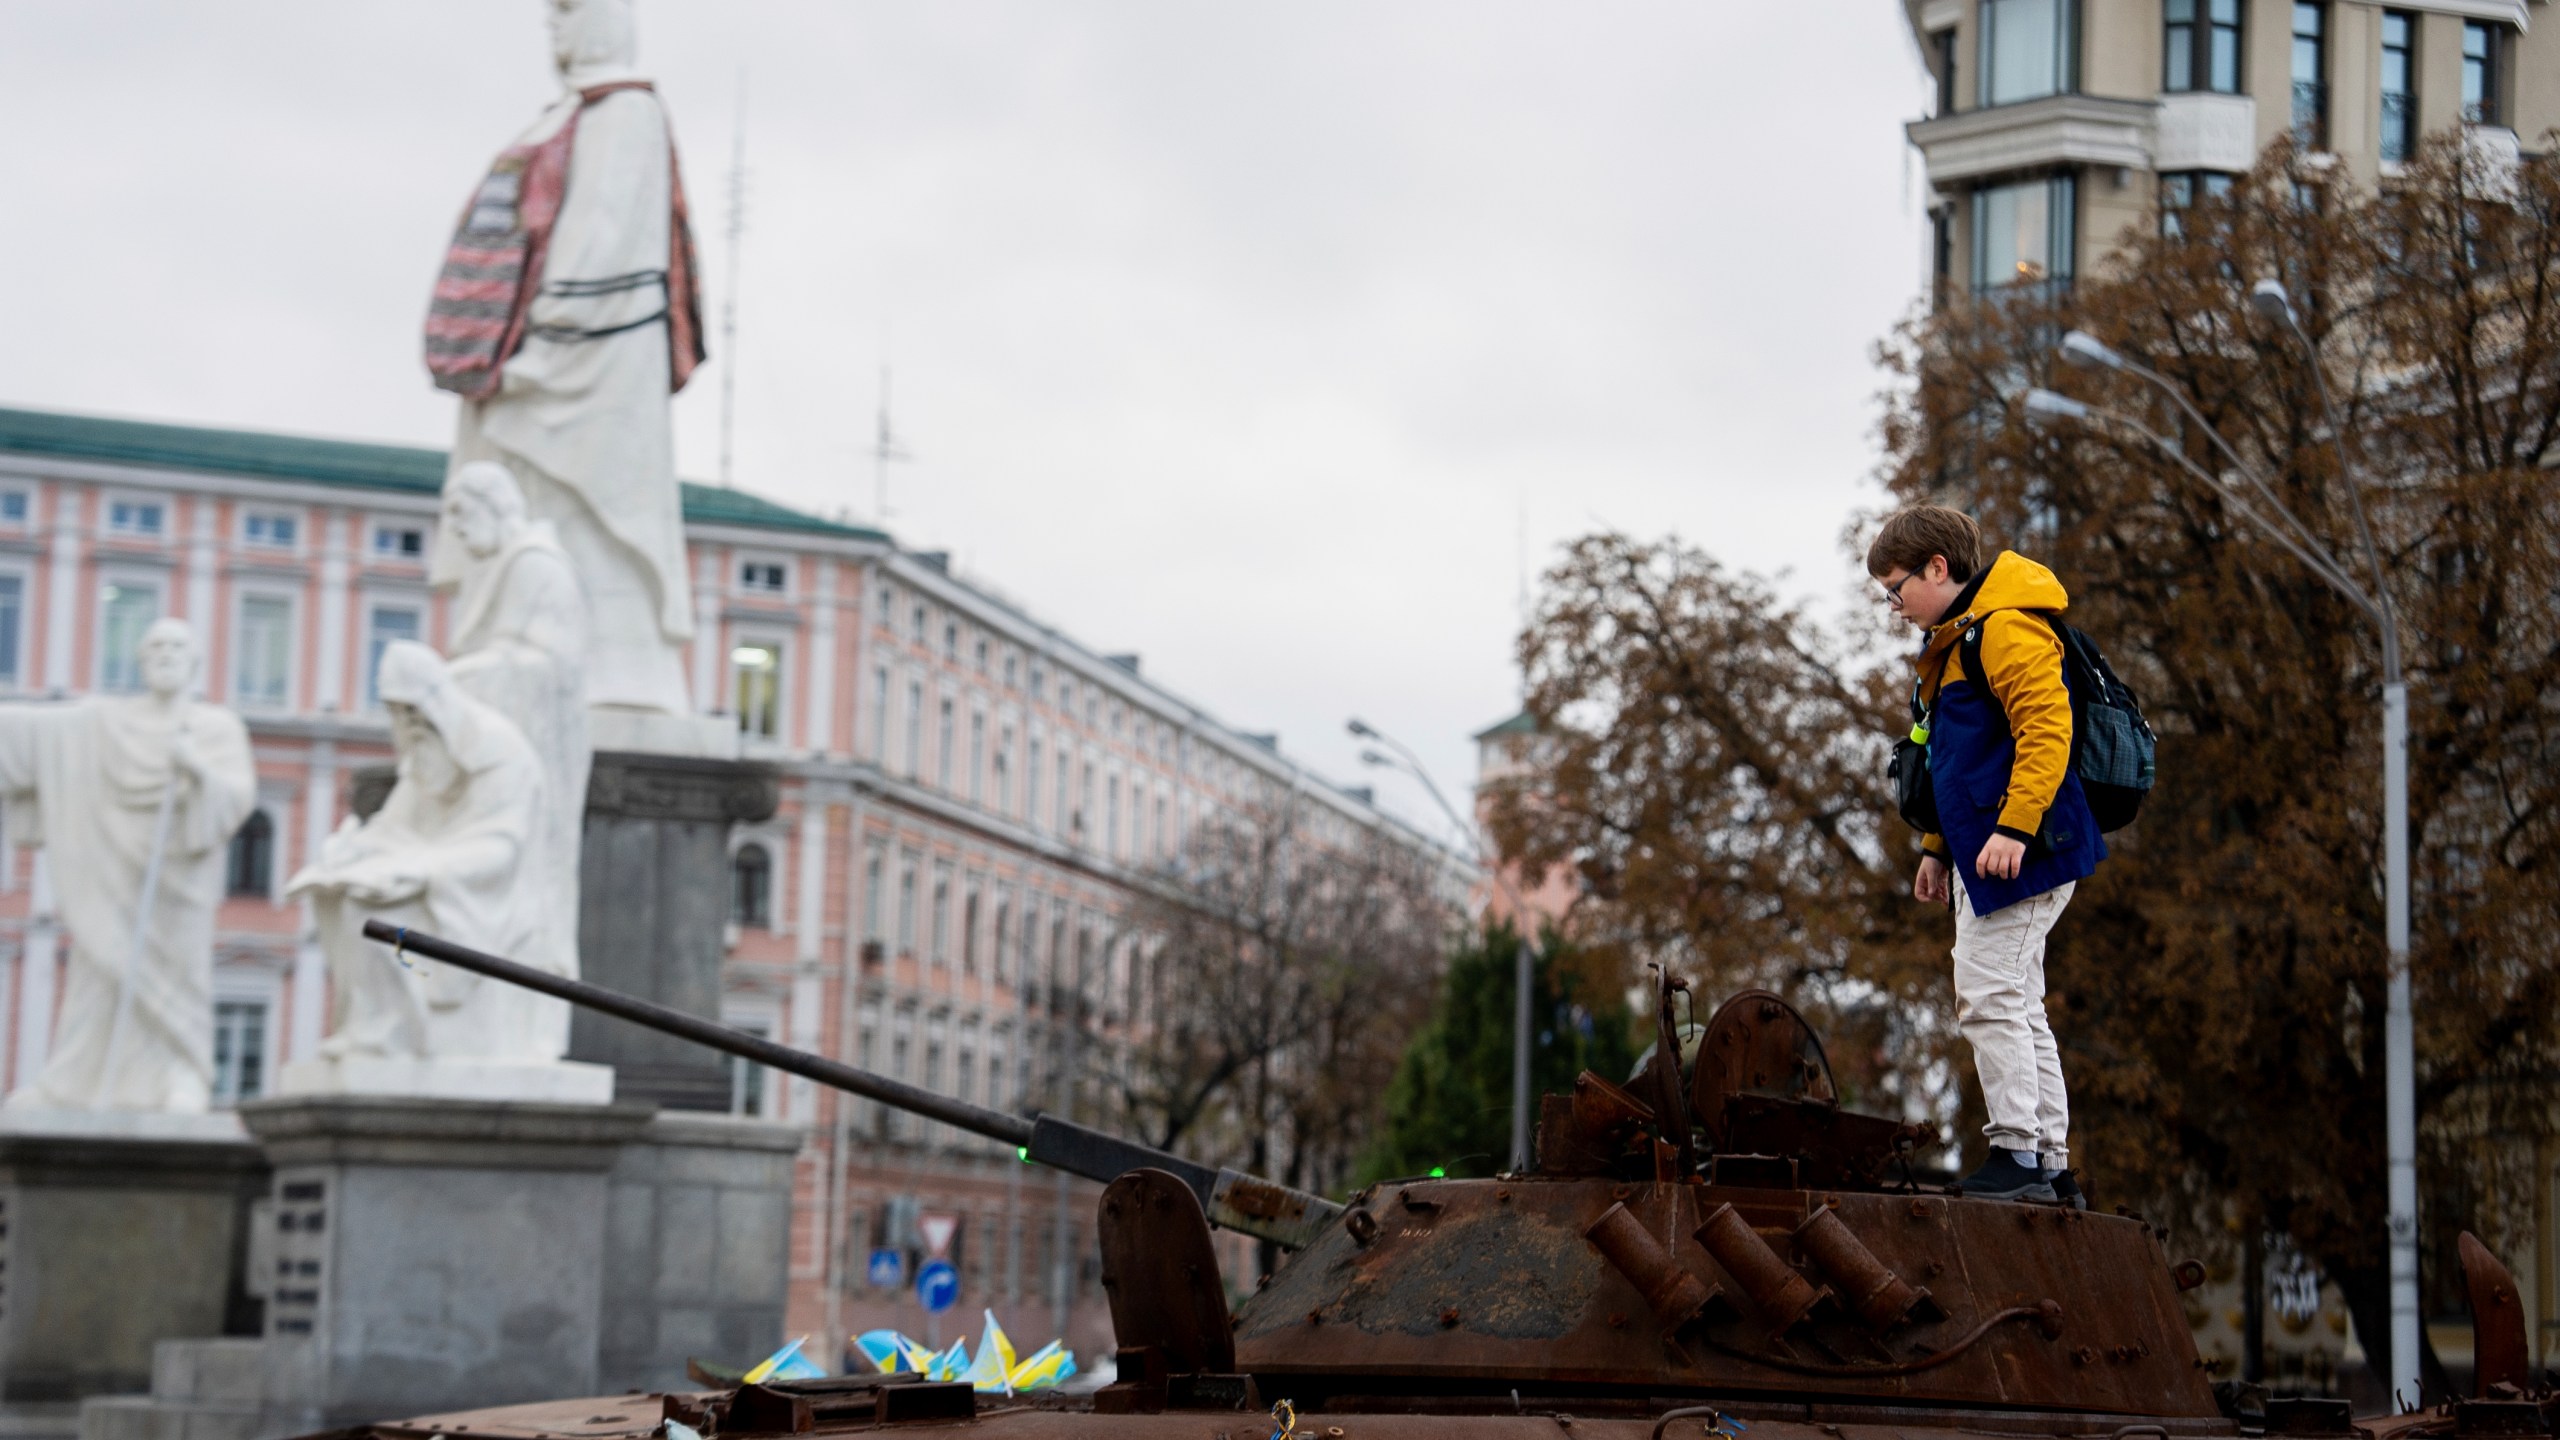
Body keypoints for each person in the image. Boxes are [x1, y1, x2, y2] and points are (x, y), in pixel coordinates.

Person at [1868, 505, 2102, 1206]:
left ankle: (2019, 1154)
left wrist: (2016, 828)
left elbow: (2045, 726)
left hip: (2024, 850)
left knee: (1989, 993)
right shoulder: (1959, 639)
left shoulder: (2003, 627)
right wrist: (1937, 848)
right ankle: (2049, 1164)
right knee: (2019, 1002)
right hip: (1992, 851)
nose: (1894, 605)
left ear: (1938, 568)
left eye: (1896, 588)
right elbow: (1956, 761)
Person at [0, 618, 256, 1113]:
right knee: (99, 968)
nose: (165, 654)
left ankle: (181, 1074)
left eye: (177, 646)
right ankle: (73, 1082)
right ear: (140, 660)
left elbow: (236, 799)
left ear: (195, 662)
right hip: (108, 872)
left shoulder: (215, 728)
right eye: (155, 646)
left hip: (178, 878)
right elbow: (24, 734)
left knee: (180, 973)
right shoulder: (102, 722)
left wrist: (196, 767)